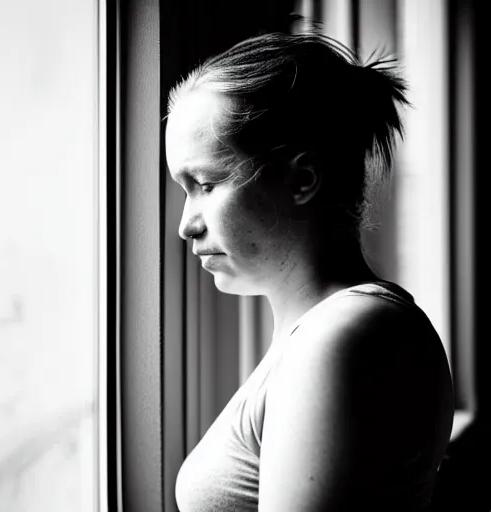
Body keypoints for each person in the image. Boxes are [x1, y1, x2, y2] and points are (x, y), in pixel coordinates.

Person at [164, 22, 455, 512]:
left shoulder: (344, 336)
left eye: (206, 184)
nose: (185, 225)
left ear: (301, 179)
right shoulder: (324, 333)